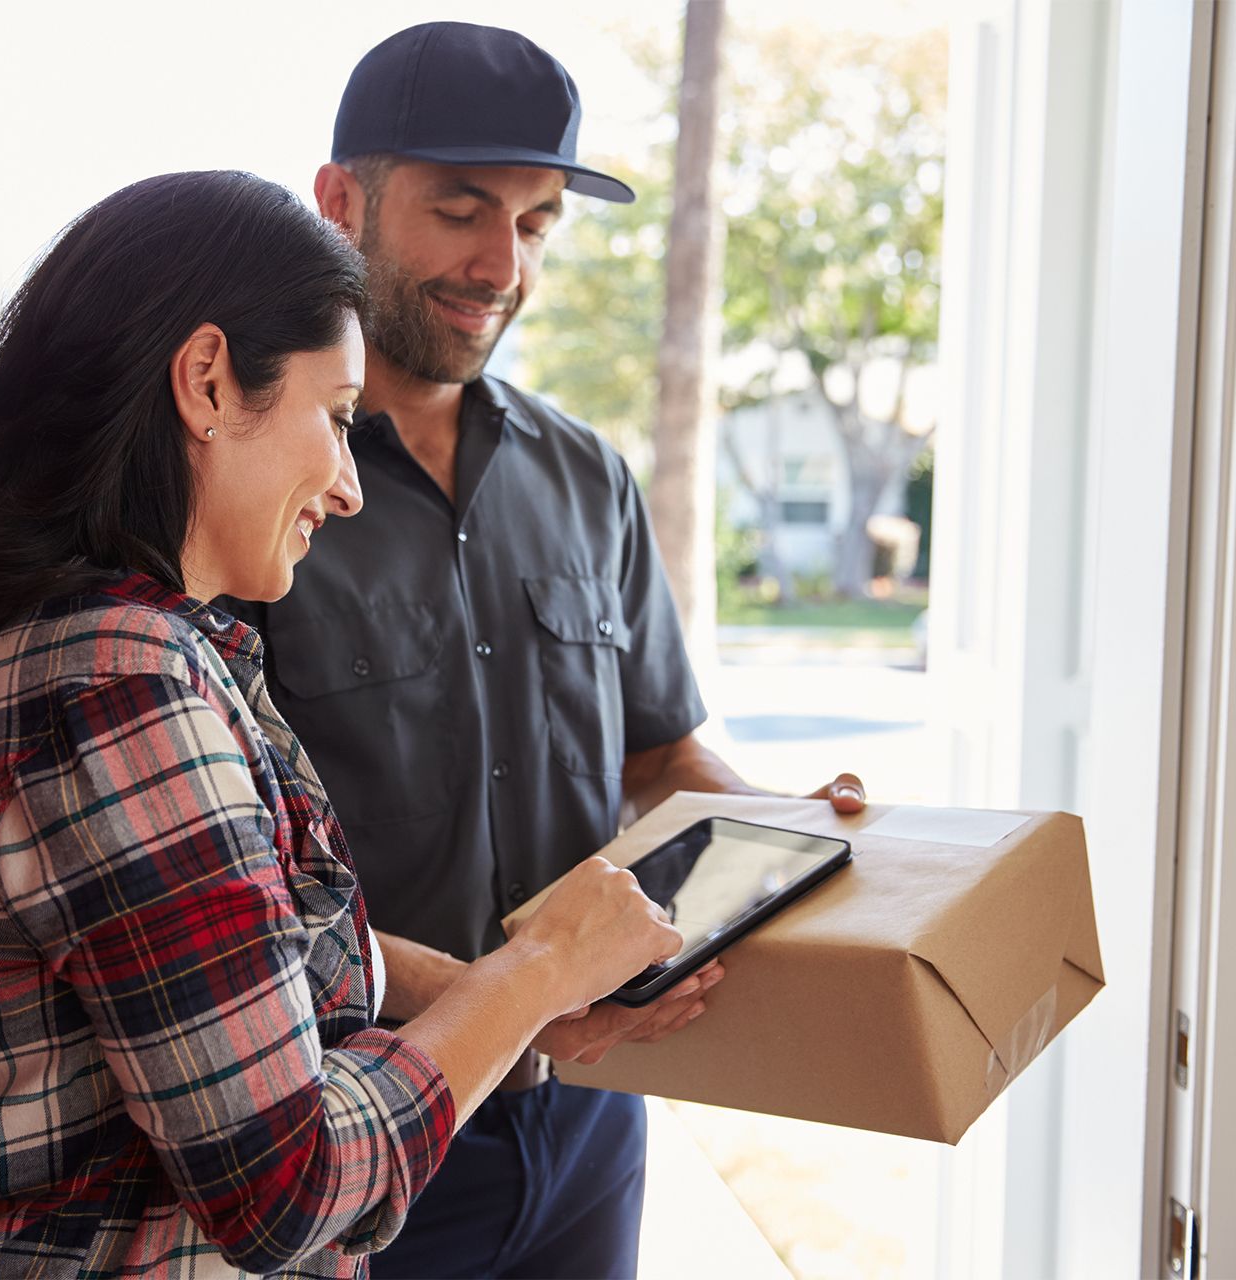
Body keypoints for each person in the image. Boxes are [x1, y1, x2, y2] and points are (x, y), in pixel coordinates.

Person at [0, 170, 688, 1278]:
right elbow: (287, 1188)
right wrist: (532, 968)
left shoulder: (132, 646)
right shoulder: (112, 686)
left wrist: (517, 1000)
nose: (346, 486)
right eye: (335, 419)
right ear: (206, 382)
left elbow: (222, 950)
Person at [225, 24, 869, 1278]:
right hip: (373, 1122)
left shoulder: (590, 477)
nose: (498, 262)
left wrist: (803, 838)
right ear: (341, 200)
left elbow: (662, 754)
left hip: (589, 1118)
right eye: (462, 210)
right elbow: (243, 874)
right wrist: (509, 998)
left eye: (534, 224)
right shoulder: (261, 489)